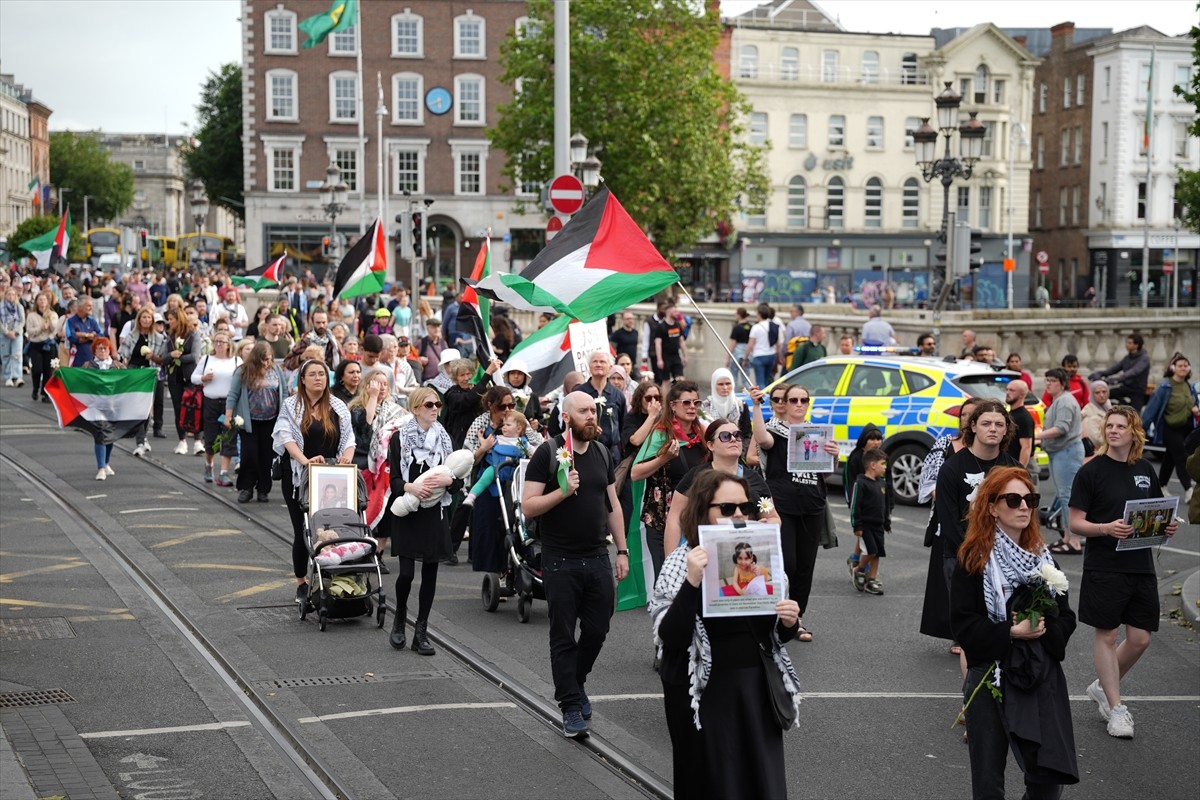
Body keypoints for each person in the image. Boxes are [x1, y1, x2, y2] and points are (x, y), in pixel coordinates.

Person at [649, 470, 801, 798]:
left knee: (762, 782)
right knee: (713, 784)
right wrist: (692, 582)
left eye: (745, 507)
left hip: (754, 687)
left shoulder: (761, 556)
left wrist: (789, 622)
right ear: (702, 510)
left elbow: (773, 636)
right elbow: (669, 638)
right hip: (702, 694)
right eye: (728, 508)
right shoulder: (680, 561)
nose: (739, 515)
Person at [951, 466, 1079, 800]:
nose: (1024, 506)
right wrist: (1011, 632)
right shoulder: (974, 559)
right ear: (992, 507)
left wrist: (1042, 629)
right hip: (989, 675)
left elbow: (1067, 617)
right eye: (1013, 499)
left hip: (1038, 675)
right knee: (988, 784)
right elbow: (963, 625)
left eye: (1030, 500)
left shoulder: (1043, 559)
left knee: (1048, 779)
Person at [522, 391, 629, 738]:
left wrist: (623, 551)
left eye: (593, 410)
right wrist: (562, 492)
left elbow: (612, 505)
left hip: (597, 556)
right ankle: (569, 705)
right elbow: (528, 506)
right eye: (583, 411)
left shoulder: (601, 452)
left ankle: (576, 680)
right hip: (560, 560)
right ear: (566, 417)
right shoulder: (549, 452)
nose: (591, 416)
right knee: (563, 635)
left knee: (598, 629)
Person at [1069, 406, 1180, 739]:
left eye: (1121, 426)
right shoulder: (1091, 471)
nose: (1114, 431)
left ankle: (1103, 686)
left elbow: (1154, 513)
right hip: (1105, 565)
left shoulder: (1145, 469)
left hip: (1141, 565)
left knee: (1141, 638)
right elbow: (1074, 523)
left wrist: (1166, 527)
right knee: (1107, 636)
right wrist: (1105, 528)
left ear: (1134, 432)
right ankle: (1116, 708)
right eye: (1110, 426)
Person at [749, 382, 840, 643]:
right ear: (784, 404)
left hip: (812, 506)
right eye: (793, 400)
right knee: (786, 562)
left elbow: (826, 473)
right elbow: (761, 440)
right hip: (782, 507)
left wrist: (834, 455)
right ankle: (778, 614)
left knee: (805, 566)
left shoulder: (817, 433)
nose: (799, 404)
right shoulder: (775, 431)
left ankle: (796, 618)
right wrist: (756, 407)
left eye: (804, 400)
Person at [933, 400, 1018, 668]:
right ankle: (974, 688)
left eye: (999, 424)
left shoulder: (1013, 468)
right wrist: (978, 552)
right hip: (962, 556)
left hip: (1005, 557)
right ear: (973, 426)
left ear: (1006, 430)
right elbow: (949, 521)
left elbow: (1023, 516)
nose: (993, 429)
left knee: (1004, 624)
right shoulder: (952, 468)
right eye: (986, 423)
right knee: (974, 629)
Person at [272, 359, 355, 605]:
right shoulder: (291, 405)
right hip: (299, 475)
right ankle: (301, 582)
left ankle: (331, 576)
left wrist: (346, 458)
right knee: (304, 529)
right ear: (303, 379)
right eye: (313, 374)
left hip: (331, 475)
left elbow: (349, 439)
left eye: (322, 374)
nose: (318, 378)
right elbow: (286, 438)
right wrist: (305, 461)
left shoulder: (337, 406)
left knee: (333, 528)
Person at [384, 386, 459, 655]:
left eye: (437, 404)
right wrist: (411, 487)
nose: (435, 409)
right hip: (408, 511)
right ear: (415, 409)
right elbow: (393, 481)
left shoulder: (445, 439)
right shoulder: (399, 439)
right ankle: (399, 617)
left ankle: (421, 632)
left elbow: (457, 481)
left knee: (430, 573)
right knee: (406, 574)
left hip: (434, 513)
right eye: (429, 405)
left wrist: (450, 480)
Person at [662, 417, 779, 554]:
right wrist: (671, 559)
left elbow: (773, 517)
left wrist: (762, 527)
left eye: (737, 435)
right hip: (701, 553)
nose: (733, 439)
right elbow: (675, 519)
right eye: (725, 436)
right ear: (711, 445)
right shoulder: (696, 476)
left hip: (743, 554)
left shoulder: (754, 479)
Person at [631, 380, 708, 580]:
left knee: (697, 580)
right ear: (673, 405)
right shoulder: (660, 434)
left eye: (696, 403)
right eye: (686, 402)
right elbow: (635, 473)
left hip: (697, 518)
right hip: (662, 520)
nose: (692, 407)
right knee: (667, 578)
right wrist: (663, 458)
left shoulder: (702, 434)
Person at [466, 385, 545, 573]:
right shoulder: (480, 423)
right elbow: (467, 458)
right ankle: (493, 571)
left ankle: (520, 566)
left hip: (515, 482)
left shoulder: (518, 420)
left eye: (511, 405)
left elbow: (538, 445)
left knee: (517, 524)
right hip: (491, 480)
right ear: (491, 406)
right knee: (490, 528)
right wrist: (483, 448)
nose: (508, 410)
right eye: (503, 407)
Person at [226, 341, 284, 504]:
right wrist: (228, 415)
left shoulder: (276, 370)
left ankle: (263, 489)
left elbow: (283, 392)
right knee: (249, 455)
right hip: (249, 420)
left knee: (266, 455)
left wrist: (284, 416)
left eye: (269, 359)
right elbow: (233, 394)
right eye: (263, 360)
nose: (266, 363)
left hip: (270, 420)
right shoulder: (243, 371)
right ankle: (247, 487)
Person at [1036, 369, 1086, 555]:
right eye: (1047, 380)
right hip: (1060, 452)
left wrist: (1037, 437)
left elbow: (1061, 428)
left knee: (1068, 496)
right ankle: (1067, 537)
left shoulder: (1065, 401)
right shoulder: (1059, 400)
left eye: (1053, 380)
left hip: (1067, 452)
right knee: (1064, 495)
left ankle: (1074, 541)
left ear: (1063, 383)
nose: (1048, 383)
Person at [1141, 353, 1198, 496]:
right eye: (1180, 366)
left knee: (1170, 457)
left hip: (1185, 428)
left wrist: (1194, 408)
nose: (1183, 368)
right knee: (1181, 456)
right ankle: (1188, 490)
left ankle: (1161, 486)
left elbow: (1193, 403)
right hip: (1169, 428)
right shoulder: (1164, 386)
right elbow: (1151, 409)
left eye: (1185, 365)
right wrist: (1141, 429)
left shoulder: (1189, 386)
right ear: (1173, 368)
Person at [117, 307, 170, 457]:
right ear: (139, 320)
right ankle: (140, 441)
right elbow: (122, 354)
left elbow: (163, 359)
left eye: (149, 318)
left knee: (147, 408)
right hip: (134, 373)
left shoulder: (159, 338)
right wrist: (120, 361)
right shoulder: (131, 336)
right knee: (137, 407)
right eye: (143, 317)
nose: (146, 320)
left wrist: (153, 357)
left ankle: (143, 437)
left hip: (150, 373)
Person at [192, 331, 242, 486]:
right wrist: (203, 378)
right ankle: (209, 465)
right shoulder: (206, 359)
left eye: (222, 342)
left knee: (229, 437)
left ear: (229, 344)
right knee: (211, 437)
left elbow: (243, 379)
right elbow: (193, 377)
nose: (219, 344)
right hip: (210, 402)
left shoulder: (236, 361)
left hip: (230, 404)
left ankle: (224, 472)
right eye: (216, 341)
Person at [842, 423, 891, 575]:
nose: (876, 442)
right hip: (862, 503)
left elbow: (888, 483)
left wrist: (889, 504)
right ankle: (863, 566)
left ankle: (856, 559)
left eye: (879, 439)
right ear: (864, 440)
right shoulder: (855, 457)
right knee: (864, 533)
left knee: (870, 536)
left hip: (877, 503)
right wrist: (852, 502)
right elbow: (849, 482)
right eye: (872, 439)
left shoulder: (882, 458)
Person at [462, 410, 530, 508]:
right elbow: (487, 445)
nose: (504, 427)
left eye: (508, 425)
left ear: (518, 429)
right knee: (486, 476)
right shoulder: (498, 439)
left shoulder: (523, 442)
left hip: (514, 472)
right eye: (503, 424)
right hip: (496, 468)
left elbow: (533, 452)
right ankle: (471, 496)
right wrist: (480, 438)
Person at [850, 449, 890, 595]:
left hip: (878, 525)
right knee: (871, 551)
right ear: (873, 465)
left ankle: (872, 579)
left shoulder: (882, 483)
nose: (885, 467)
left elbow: (884, 505)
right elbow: (855, 506)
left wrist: (886, 522)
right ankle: (859, 569)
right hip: (865, 526)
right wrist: (857, 525)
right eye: (883, 464)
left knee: (878, 553)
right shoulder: (860, 483)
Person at [578, 350, 627, 466]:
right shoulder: (579, 393)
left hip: (613, 456)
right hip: (585, 452)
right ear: (589, 367)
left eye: (602, 362)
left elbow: (623, 425)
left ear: (610, 367)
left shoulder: (618, 395)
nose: (598, 364)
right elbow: (571, 423)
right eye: (595, 361)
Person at [165, 307, 203, 455]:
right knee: (178, 409)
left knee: (194, 407)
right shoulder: (170, 336)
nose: (169, 322)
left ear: (179, 319)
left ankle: (198, 441)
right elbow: (164, 357)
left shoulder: (193, 334)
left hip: (190, 376)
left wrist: (178, 357)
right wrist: (171, 355)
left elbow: (195, 356)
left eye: (171, 319)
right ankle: (182, 441)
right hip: (175, 377)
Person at [83, 337, 120, 480]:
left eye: (105, 348)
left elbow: (130, 378)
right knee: (100, 434)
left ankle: (106, 463)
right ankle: (101, 468)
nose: (103, 351)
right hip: (95, 407)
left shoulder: (117, 366)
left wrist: (149, 373)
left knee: (110, 435)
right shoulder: (88, 366)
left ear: (110, 350)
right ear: (94, 351)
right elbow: (77, 379)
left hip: (113, 407)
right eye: (99, 348)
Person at [1090, 333, 1151, 412]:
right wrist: (1100, 373)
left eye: (1129, 343)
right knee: (1107, 395)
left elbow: (1134, 372)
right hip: (1126, 387)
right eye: (1127, 342)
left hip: (1137, 391)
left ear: (1136, 345)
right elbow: (1115, 368)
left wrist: (1117, 379)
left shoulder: (1144, 358)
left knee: (1134, 414)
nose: (1126, 345)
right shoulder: (1127, 358)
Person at [25, 292, 59, 402]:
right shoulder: (31, 316)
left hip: (49, 344)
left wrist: (50, 321)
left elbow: (55, 330)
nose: (42, 302)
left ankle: (45, 393)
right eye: (40, 299)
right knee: (37, 370)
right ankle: (35, 388)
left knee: (48, 370)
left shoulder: (53, 314)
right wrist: (40, 328)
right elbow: (30, 331)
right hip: (36, 344)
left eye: (44, 299)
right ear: (36, 302)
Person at [701, 367, 750, 438]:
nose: (725, 388)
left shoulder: (741, 406)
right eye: (720, 384)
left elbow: (746, 434)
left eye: (728, 383)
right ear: (714, 385)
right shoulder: (705, 407)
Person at [746, 304, 781, 388]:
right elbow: (778, 344)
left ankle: (762, 396)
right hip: (771, 355)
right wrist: (779, 356)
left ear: (759, 314)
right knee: (767, 380)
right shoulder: (774, 326)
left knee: (760, 382)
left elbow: (750, 345)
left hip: (759, 355)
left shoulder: (756, 327)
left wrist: (745, 358)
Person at [653, 304, 688, 387]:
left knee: (680, 379)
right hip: (665, 357)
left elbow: (682, 342)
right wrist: (659, 360)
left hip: (676, 356)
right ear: (669, 312)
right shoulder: (661, 327)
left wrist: (685, 356)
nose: (677, 314)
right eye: (675, 312)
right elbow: (658, 344)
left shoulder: (678, 325)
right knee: (666, 381)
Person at [65, 296, 102, 367]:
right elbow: (72, 337)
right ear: (80, 307)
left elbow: (100, 336)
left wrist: (83, 335)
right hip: (78, 360)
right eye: (88, 306)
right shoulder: (70, 321)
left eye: (92, 306)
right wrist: (90, 336)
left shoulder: (92, 321)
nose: (91, 308)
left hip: (93, 360)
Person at [1005, 379, 1034, 469]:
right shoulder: (1011, 414)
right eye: (1007, 389)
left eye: (1012, 390)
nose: (1007, 393)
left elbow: (1026, 447)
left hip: (1021, 466)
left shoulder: (1023, 417)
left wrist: (1019, 470)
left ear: (1022, 394)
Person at [0, 286, 25, 387]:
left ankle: (17, 376)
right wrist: (7, 332)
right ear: (5, 295)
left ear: (16, 296)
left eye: (13, 294)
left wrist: (14, 332)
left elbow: (22, 321)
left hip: (17, 334)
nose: (11, 296)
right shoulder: (1, 307)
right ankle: (8, 377)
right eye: (9, 294)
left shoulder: (19, 307)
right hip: (4, 334)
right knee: (5, 355)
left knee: (17, 355)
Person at [1081, 379, 1112, 453]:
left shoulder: (1108, 405)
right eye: (1097, 393)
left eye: (1104, 392)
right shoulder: (1088, 413)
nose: (1101, 395)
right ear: (1092, 394)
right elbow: (1096, 440)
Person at [726, 307, 752, 389]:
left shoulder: (737, 328)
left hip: (737, 354)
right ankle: (749, 392)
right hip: (747, 354)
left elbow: (732, 344)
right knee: (746, 379)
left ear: (739, 315)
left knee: (734, 377)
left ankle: (735, 393)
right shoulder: (751, 326)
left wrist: (728, 357)